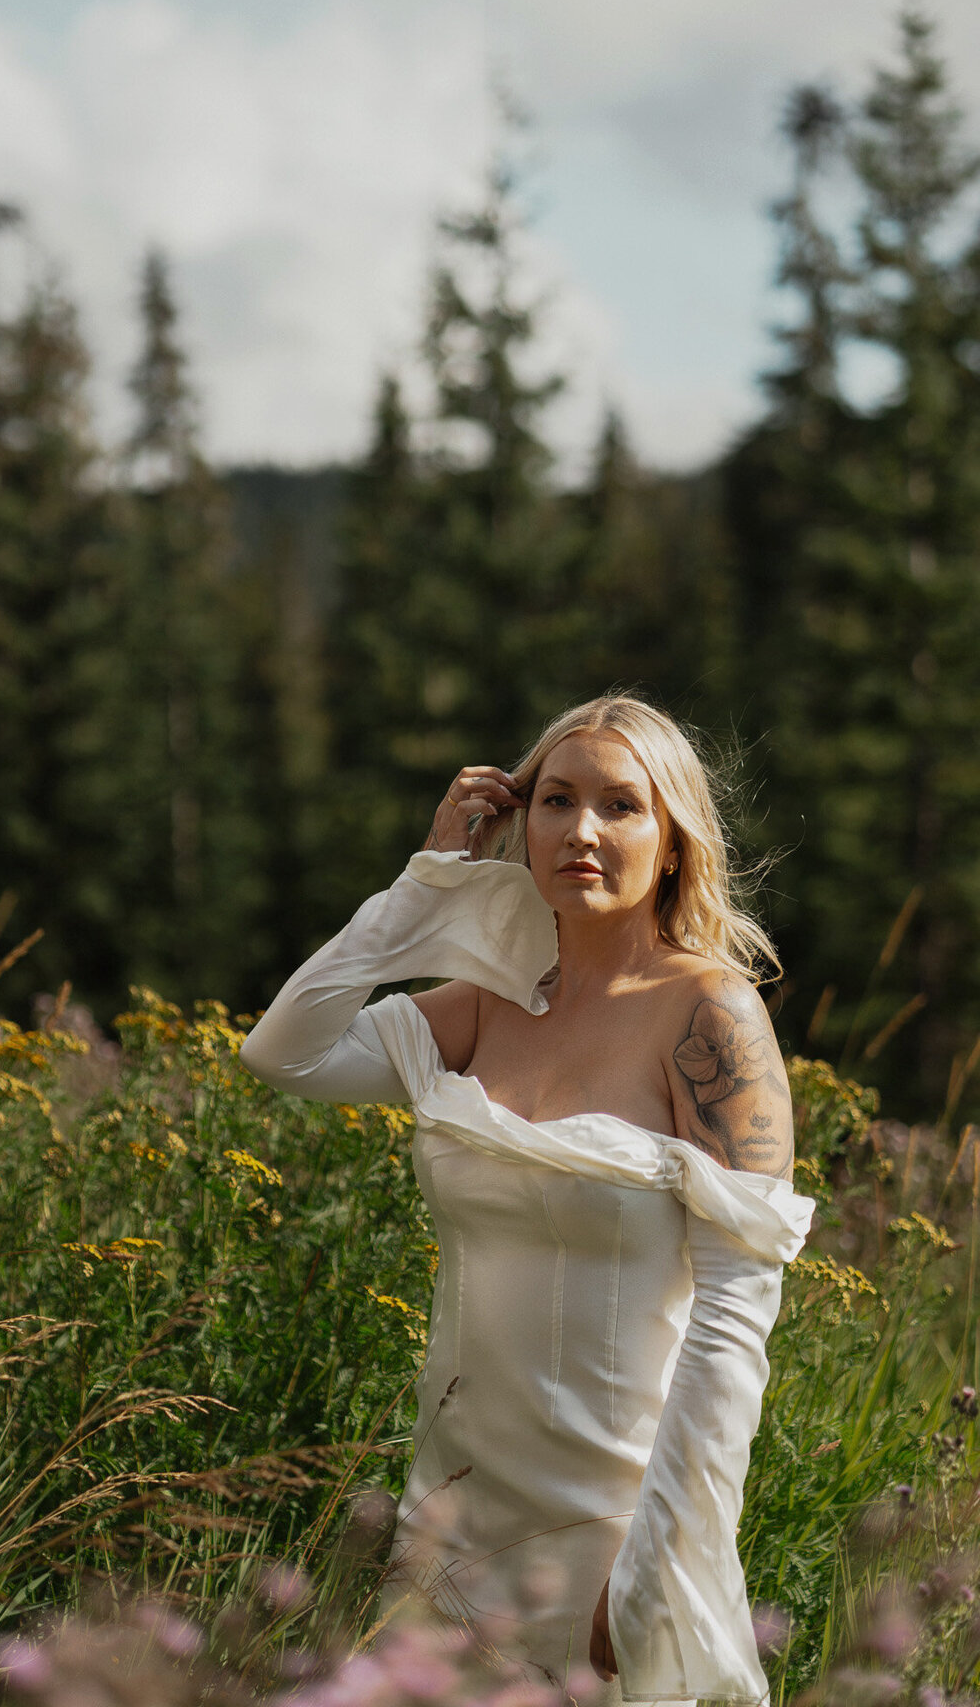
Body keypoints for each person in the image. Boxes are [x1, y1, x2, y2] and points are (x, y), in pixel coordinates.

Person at [239, 695, 814, 1704]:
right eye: (555, 800)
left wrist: (654, 1569)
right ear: (522, 820)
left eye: (621, 806)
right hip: (451, 1525)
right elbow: (285, 1050)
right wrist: (425, 887)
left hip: (615, 1537)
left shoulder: (711, 1016)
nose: (581, 831)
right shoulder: (485, 1004)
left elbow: (733, 1322)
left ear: (674, 844)